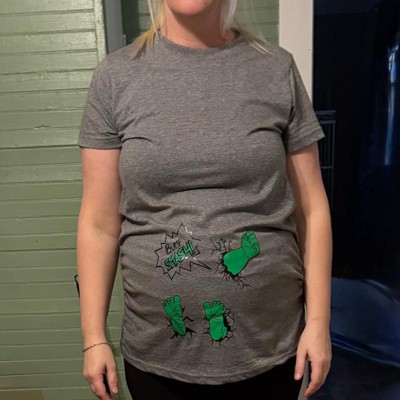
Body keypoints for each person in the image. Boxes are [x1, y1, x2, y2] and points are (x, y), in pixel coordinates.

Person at [76, 1, 332, 399]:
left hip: (270, 347)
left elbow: (311, 209)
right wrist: (93, 337)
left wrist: (318, 323)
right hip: (158, 354)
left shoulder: (275, 69)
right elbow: (98, 222)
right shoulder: (115, 76)